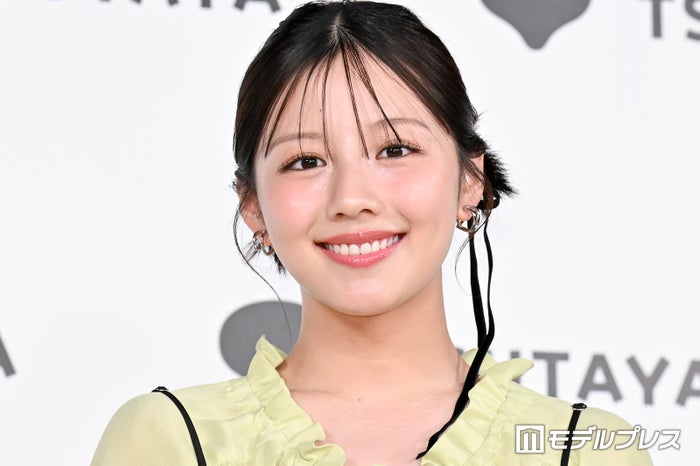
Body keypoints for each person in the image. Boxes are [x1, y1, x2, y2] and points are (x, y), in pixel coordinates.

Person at [91, 2, 654, 465]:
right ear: (254, 207)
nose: (352, 199)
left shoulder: (586, 450)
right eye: (306, 161)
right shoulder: (171, 440)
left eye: (395, 150)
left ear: (470, 182)